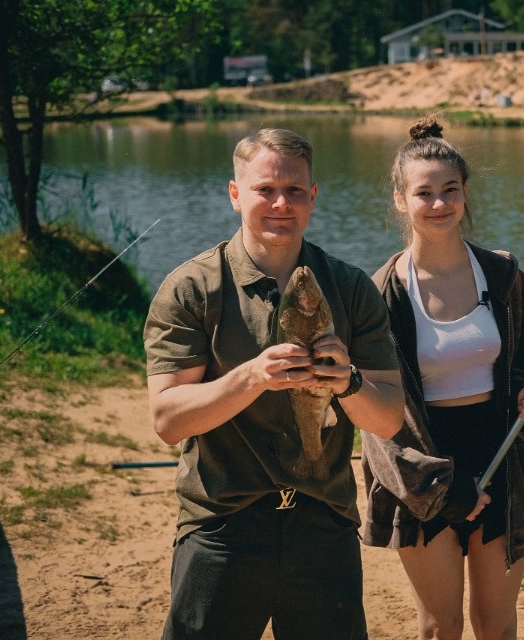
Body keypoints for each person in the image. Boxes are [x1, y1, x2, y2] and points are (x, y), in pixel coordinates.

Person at [143, 128, 405, 640]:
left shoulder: (352, 289)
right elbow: (168, 422)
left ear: (313, 196)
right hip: (222, 526)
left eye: (295, 190)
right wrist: (251, 377)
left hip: (324, 526)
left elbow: (389, 419)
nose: (281, 202)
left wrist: (349, 385)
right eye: (265, 189)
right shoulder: (192, 288)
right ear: (236, 194)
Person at [360, 117, 524, 640]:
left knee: (495, 626)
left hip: (500, 460)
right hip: (421, 472)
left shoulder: (502, 273)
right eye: (424, 193)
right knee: (438, 626)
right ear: (401, 200)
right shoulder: (380, 294)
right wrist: (439, 491)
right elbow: (377, 420)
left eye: (450, 190)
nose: (439, 203)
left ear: (466, 194)